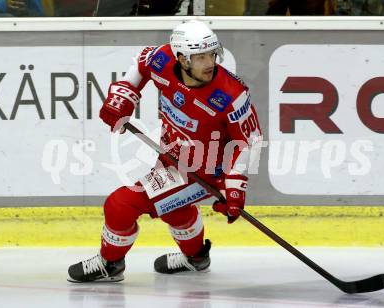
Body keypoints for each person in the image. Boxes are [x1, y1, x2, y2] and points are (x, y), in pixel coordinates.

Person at [67, 20, 262, 282]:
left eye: (211, 55)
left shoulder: (231, 94)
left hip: (202, 171)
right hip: (171, 156)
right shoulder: (163, 60)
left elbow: (249, 139)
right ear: (181, 57)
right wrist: (123, 96)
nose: (209, 63)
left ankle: (110, 263)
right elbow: (140, 63)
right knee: (173, 208)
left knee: (120, 205)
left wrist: (234, 185)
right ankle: (196, 257)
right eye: (200, 57)